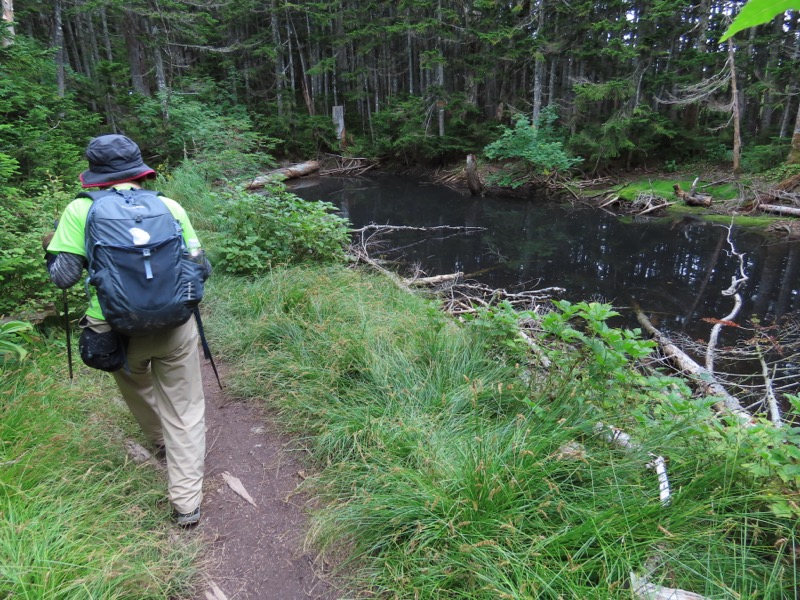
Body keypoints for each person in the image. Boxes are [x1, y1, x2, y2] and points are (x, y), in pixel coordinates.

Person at [43, 134, 210, 527]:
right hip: (174, 324)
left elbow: (63, 279)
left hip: (115, 329)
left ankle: (159, 441)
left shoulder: (79, 211)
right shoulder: (169, 206)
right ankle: (187, 504)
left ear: (95, 174)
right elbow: (201, 268)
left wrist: (51, 247)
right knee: (184, 407)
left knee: (136, 383)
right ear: (139, 169)